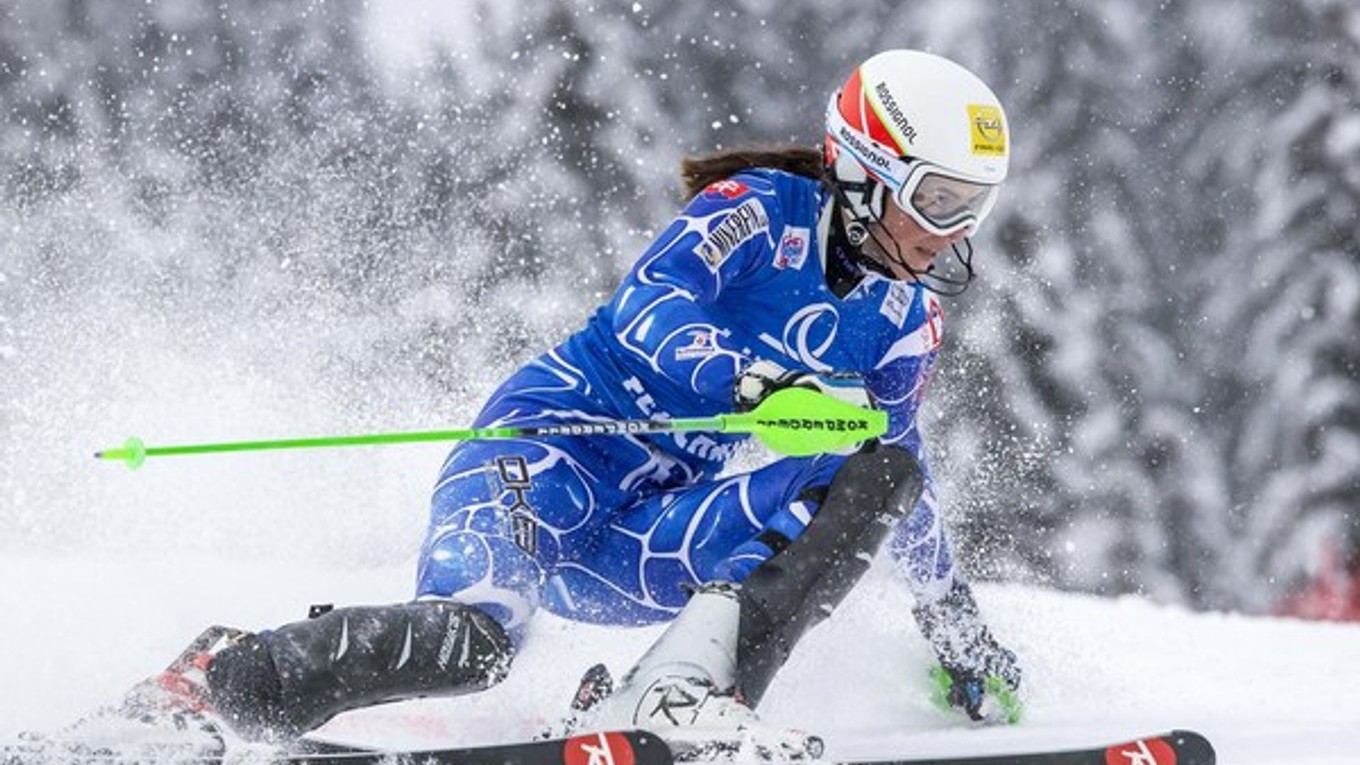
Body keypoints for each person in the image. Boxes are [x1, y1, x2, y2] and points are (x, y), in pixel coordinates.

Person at [73, 49, 1022, 759]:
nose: (949, 234)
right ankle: (211, 685)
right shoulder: (756, 209)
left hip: (650, 533)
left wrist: (953, 624)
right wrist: (756, 385)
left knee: (877, 462)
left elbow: (902, 489)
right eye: (937, 198)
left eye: (971, 207)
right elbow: (648, 307)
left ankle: (675, 690)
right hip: (548, 452)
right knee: (474, 640)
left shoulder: (906, 320)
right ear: (862, 168)